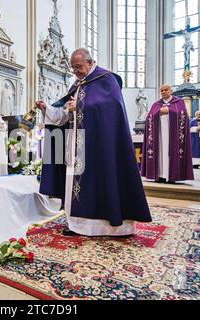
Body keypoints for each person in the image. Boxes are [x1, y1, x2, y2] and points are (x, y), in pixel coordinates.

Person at [35, 48, 152, 237]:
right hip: (76, 144)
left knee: (101, 181)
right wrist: (46, 108)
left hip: (99, 146)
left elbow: (111, 107)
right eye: (73, 68)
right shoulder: (77, 85)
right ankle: (77, 225)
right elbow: (63, 116)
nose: (76, 71)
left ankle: (107, 226)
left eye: (79, 67)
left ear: (90, 62)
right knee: (76, 182)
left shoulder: (106, 80)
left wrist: (80, 106)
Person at [141, 84, 194, 184]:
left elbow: (184, 116)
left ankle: (172, 176)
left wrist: (169, 111)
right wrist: (158, 112)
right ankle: (160, 175)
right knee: (160, 153)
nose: (163, 92)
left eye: (166, 90)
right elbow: (149, 117)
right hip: (159, 135)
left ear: (171, 91)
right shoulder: (156, 104)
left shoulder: (179, 102)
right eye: (162, 90)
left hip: (173, 135)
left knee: (171, 153)